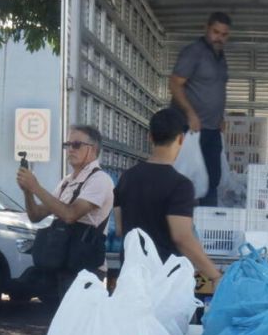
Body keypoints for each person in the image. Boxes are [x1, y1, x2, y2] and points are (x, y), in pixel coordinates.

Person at [113, 108, 222, 283]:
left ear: (150, 137)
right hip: (166, 281)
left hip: (131, 278)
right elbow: (182, 237)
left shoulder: (126, 177)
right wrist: (214, 275)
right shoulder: (180, 185)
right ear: (181, 138)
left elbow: (119, 229)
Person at [17, 124, 114, 299]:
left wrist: (35, 186)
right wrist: (27, 192)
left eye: (76, 145)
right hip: (63, 265)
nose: (70, 150)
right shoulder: (67, 182)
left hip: (86, 270)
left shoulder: (100, 180)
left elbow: (70, 214)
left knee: (77, 324)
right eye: (67, 145)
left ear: (92, 149)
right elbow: (36, 215)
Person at [170, 12, 231, 207]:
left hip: (212, 129)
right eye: (215, 32)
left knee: (212, 177)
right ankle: (180, 221)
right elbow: (175, 84)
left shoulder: (221, 58)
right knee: (185, 177)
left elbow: (218, 89)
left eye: (223, 34)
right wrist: (190, 114)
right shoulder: (193, 52)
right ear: (206, 28)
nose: (219, 37)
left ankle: (208, 225)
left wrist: (221, 117)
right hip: (191, 128)